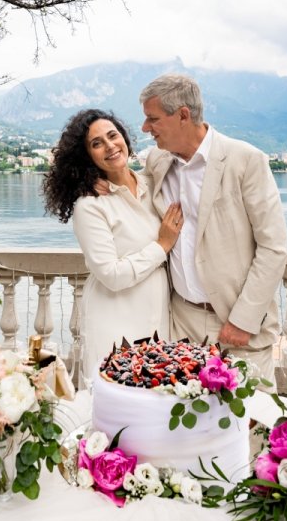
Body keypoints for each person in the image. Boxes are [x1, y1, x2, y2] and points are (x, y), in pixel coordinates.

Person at [139, 74, 287, 391]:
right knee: (188, 430)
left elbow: (274, 247)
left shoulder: (246, 160)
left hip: (237, 326)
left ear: (183, 114)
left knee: (251, 427)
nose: (145, 128)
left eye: (153, 119)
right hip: (181, 324)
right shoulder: (156, 161)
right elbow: (123, 184)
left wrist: (243, 320)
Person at [43, 109, 183, 382]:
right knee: (115, 409)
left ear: (125, 139)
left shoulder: (152, 183)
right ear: (87, 156)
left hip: (158, 321)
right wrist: (162, 245)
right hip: (115, 322)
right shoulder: (91, 206)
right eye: (96, 144)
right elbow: (111, 275)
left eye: (112, 135)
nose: (109, 146)